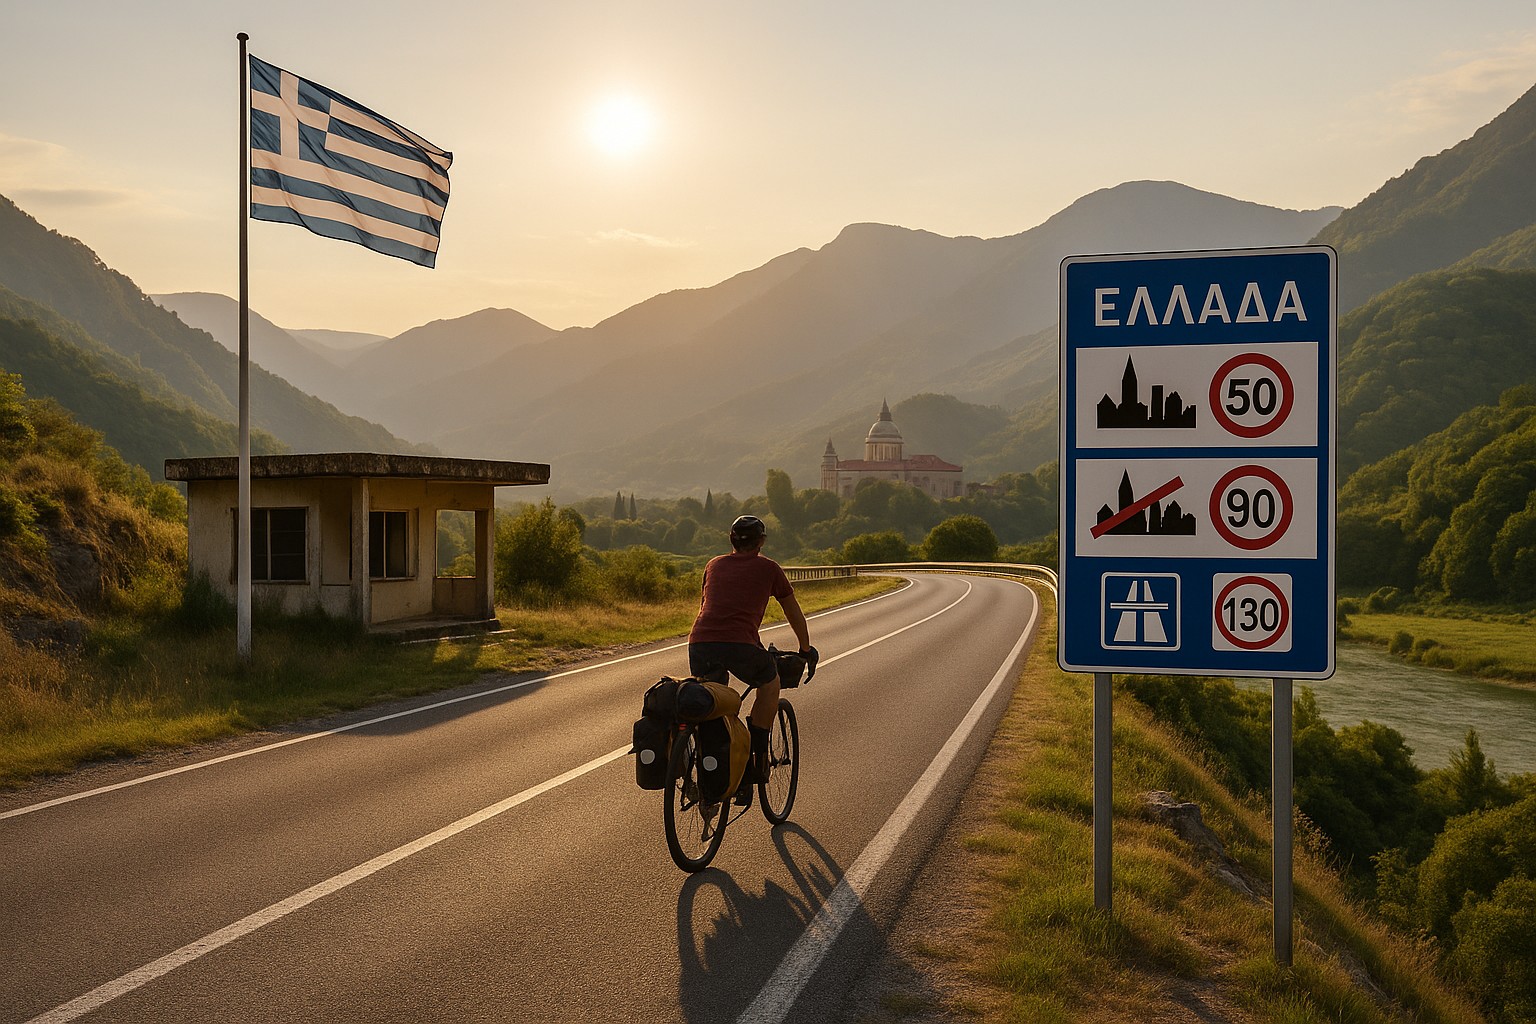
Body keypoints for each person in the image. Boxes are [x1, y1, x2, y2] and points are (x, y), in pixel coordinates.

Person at [688, 514, 812, 784]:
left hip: (699, 642)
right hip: (740, 645)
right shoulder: (769, 568)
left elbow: (706, 606)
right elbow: (792, 610)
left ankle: (712, 773)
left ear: (731, 540)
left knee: (714, 703)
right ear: (761, 542)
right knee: (769, 682)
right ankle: (758, 758)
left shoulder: (713, 565)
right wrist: (805, 648)